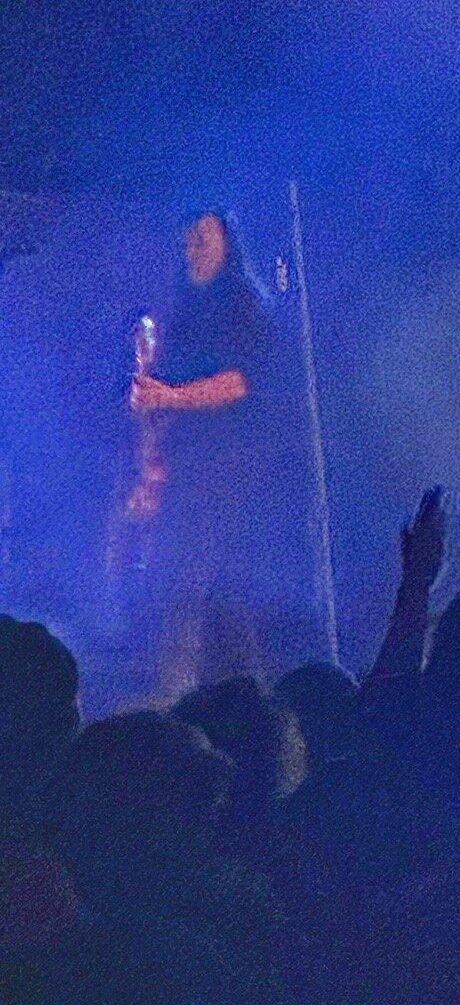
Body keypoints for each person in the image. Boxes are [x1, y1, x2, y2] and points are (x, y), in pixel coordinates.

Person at [128, 209, 313, 687]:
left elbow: (237, 382)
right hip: (189, 469)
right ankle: (206, 691)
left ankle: (205, 693)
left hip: (230, 468)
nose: (194, 246)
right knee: (192, 589)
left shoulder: (242, 304)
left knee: (206, 585)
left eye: (204, 237)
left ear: (229, 243)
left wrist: (171, 397)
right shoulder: (184, 308)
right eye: (188, 237)